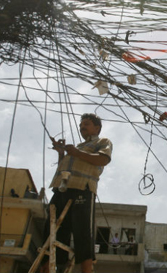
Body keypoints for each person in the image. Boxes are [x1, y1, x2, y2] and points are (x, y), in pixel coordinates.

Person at [46, 113, 113, 273]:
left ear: (97, 127)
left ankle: (87, 270)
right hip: (61, 189)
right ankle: (51, 267)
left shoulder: (101, 142)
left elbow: (103, 160)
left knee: (82, 231)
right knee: (53, 230)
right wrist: (61, 153)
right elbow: (66, 167)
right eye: (81, 125)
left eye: (87, 124)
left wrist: (76, 153)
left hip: (82, 188)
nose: (82, 127)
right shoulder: (78, 147)